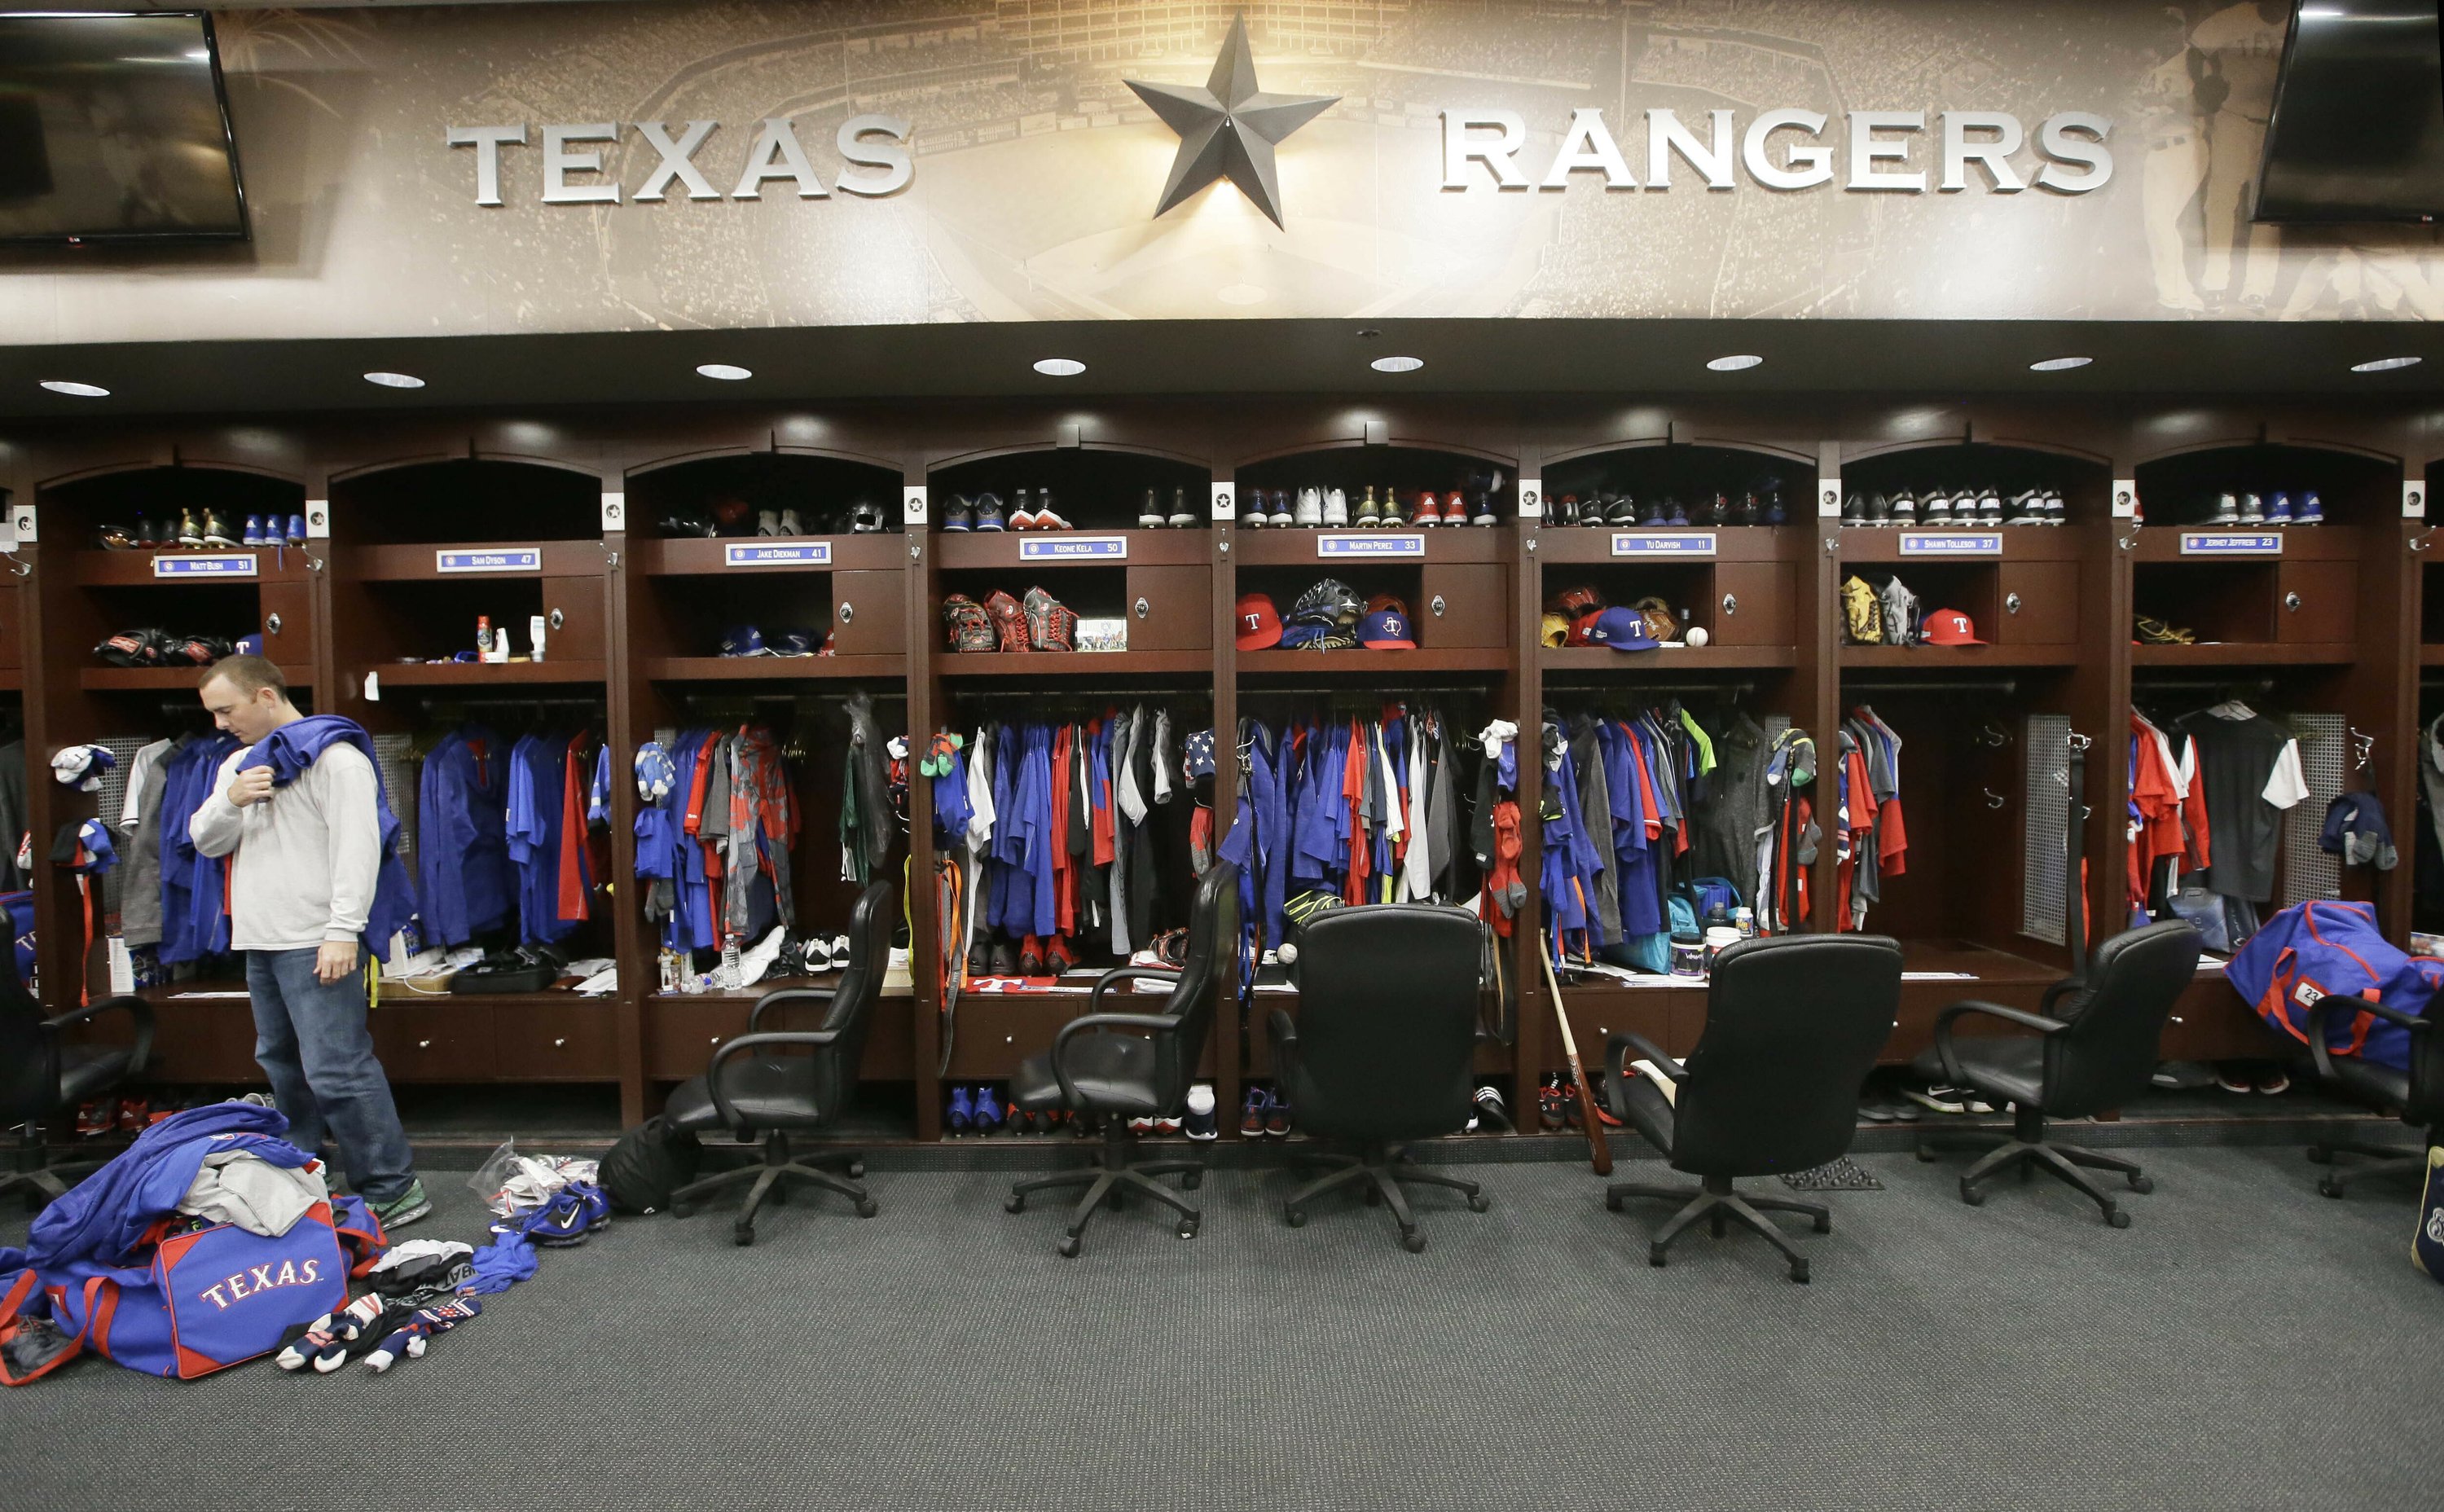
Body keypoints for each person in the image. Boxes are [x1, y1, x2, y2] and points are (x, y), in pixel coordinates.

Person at [191, 655, 429, 1228]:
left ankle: (393, 1188)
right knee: (280, 1063)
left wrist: (343, 930)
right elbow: (204, 840)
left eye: (227, 710)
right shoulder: (237, 767)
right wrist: (233, 800)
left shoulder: (337, 760)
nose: (221, 724)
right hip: (261, 940)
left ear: (266, 697)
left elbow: (359, 847)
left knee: (336, 1068)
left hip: (318, 939)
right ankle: (299, 1174)